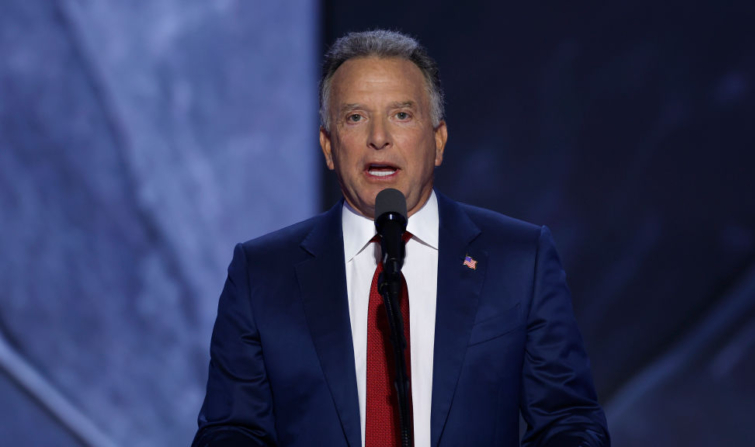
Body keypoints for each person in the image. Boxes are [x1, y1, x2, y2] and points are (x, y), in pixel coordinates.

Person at [193, 30, 610, 447]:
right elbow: (231, 431)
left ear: (439, 140)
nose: (379, 137)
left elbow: (569, 420)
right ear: (328, 146)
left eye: (402, 115)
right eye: (355, 117)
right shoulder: (262, 273)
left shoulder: (520, 260)